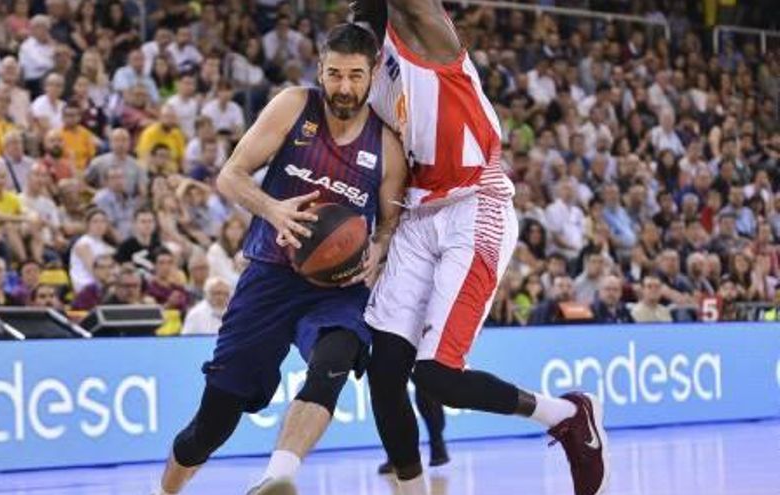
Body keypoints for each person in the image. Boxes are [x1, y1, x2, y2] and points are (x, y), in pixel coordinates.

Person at [355, 3, 608, 495]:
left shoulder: (431, 36)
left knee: (437, 376)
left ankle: (566, 414)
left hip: (475, 206)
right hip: (417, 215)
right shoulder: (366, 68)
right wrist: (382, 234)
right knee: (384, 374)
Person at [153, 24, 407, 495]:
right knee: (211, 426)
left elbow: (389, 225)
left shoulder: (387, 146)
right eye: (334, 74)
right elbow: (231, 176)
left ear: (372, 74)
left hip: (339, 286)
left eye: (355, 76)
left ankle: (279, 477)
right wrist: (273, 209)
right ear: (320, 69)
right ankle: (163, 491)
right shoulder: (294, 105)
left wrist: (379, 249)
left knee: (337, 356)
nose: (344, 87)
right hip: (270, 274)